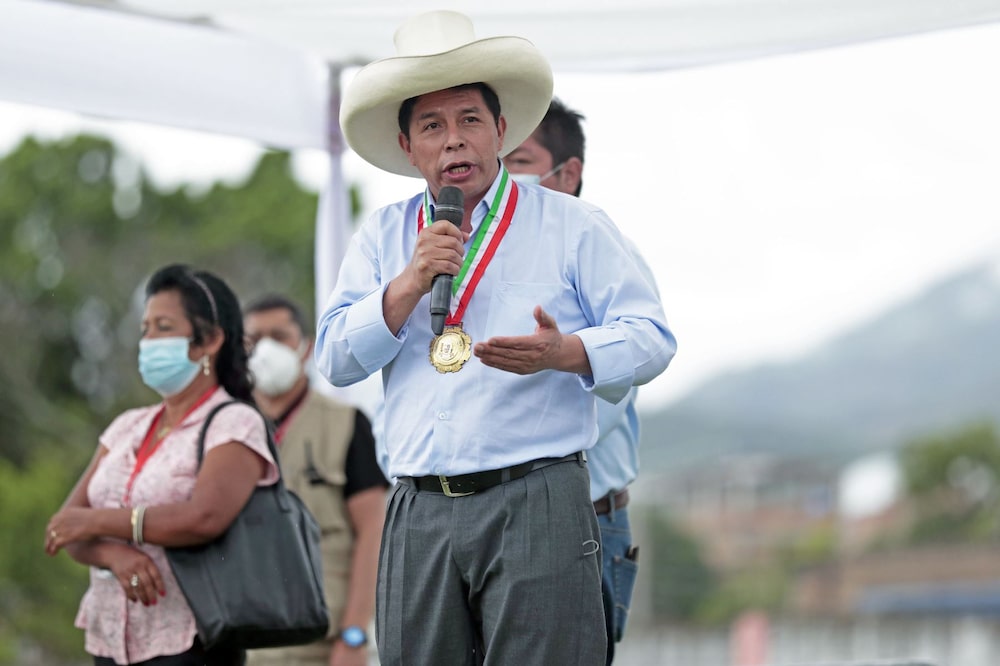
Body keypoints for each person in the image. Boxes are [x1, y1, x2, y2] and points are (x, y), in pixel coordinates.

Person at [315, 10, 676, 666]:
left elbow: (652, 338)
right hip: (419, 504)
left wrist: (566, 353)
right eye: (432, 126)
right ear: (408, 147)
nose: (454, 142)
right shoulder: (383, 237)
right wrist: (409, 285)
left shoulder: (572, 225)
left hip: (535, 495)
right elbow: (336, 359)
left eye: (470, 121)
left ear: (501, 130)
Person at [44, 263, 278, 666]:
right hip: (112, 642)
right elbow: (66, 527)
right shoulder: (126, 427)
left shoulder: (234, 423)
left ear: (209, 342)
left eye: (163, 327)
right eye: (145, 329)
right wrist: (117, 557)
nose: (148, 341)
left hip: (193, 643)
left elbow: (203, 517)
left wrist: (99, 522)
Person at [503, 98, 656, 665]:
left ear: (567, 174)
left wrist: (559, 355)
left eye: (519, 160)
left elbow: (606, 400)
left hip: (581, 518)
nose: (503, 177)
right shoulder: (482, 259)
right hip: (495, 519)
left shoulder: (601, 252)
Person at [242, 294, 388, 666]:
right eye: (254, 340)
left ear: (306, 346)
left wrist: (354, 635)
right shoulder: (225, 430)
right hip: (243, 641)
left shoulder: (346, 424)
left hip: (325, 644)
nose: (266, 349)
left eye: (280, 336)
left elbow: (374, 533)